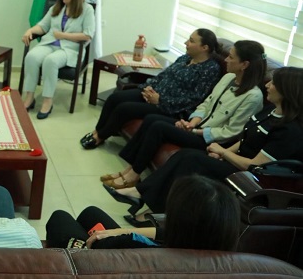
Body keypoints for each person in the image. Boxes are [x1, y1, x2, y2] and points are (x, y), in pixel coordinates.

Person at [109, 67, 303, 225]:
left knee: (191, 160)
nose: (267, 85)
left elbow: (255, 165)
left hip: (247, 177)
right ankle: (144, 198)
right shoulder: (270, 111)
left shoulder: (290, 130)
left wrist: (222, 152)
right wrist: (223, 152)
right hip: (234, 161)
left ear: (287, 90)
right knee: (184, 155)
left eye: (273, 83)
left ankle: (149, 206)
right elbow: (245, 139)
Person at [101, 40, 266, 192]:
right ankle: (130, 169)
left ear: (244, 64)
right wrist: (192, 122)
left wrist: (194, 131)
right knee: (152, 119)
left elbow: (231, 132)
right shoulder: (228, 77)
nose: (226, 60)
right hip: (197, 126)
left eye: (231, 57)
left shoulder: (252, 97)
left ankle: (133, 175)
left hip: (211, 140)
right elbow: (207, 103)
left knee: (158, 127)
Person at [80, 29, 222, 149]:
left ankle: (100, 137)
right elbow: (164, 75)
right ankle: (97, 131)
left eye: (191, 41)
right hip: (153, 93)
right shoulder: (185, 58)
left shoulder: (210, 69)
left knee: (124, 108)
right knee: (114, 98)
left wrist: (160, 100)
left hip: (169, 108)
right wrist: (148, 87)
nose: (186, 43)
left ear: (204, 47)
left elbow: (194, 99)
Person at [47, 175, 240, 252]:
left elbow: (97, 247)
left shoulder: (131, 244)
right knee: (91, 214)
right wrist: (118, 230)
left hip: (99, 259)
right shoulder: (213, 250)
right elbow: (163, 233)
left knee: (60, 218)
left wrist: (115, 236)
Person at [21, 0, 95, 119]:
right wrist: (30, 31)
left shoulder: (87, 10)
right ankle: (29, 98)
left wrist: (63, 35)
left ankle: (48, 101)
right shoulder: (56, 7)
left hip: (70, 49)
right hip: (49, 43)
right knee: (31, 57)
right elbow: (42, 26)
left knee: (51, 61)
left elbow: (87, 35)